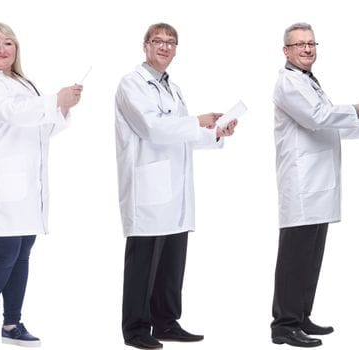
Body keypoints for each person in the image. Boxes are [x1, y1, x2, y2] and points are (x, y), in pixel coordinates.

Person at [112, 22, 237, 350]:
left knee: (171, 259)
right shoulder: (131, 85)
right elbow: (153, 128)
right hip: (148, 190)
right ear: (145, 46)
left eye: (171, 42)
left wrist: (215, 132)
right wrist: (197, 121)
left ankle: (166, 322)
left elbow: (181, 134)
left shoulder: (172, 87)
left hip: (174, 190)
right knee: (144, 261)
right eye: (158, 41)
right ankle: (136, 329)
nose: (165, 47)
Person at [267, 22, 359, 348]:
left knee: (311, 254)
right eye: (300, 44)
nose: (307, 49)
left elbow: (328, 123)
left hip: (319, 183)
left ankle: (301, 316)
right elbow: (319, 118)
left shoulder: (310, 83)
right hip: (302, 184)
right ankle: (284, 325)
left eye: (312, 43)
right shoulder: (288, 84)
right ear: (286, 51)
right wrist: (356, 108)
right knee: (295, 256)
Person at [0, 22, 80, 349]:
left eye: (8, 44)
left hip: (29, 182)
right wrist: (53, 99)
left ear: (16, 50)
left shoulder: (22, 82)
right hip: (3, 180)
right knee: (5, 251)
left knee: (23, 251)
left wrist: (61, 107)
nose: (1, 49)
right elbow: (12, 113)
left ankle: (12, 324)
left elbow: (39, 127)